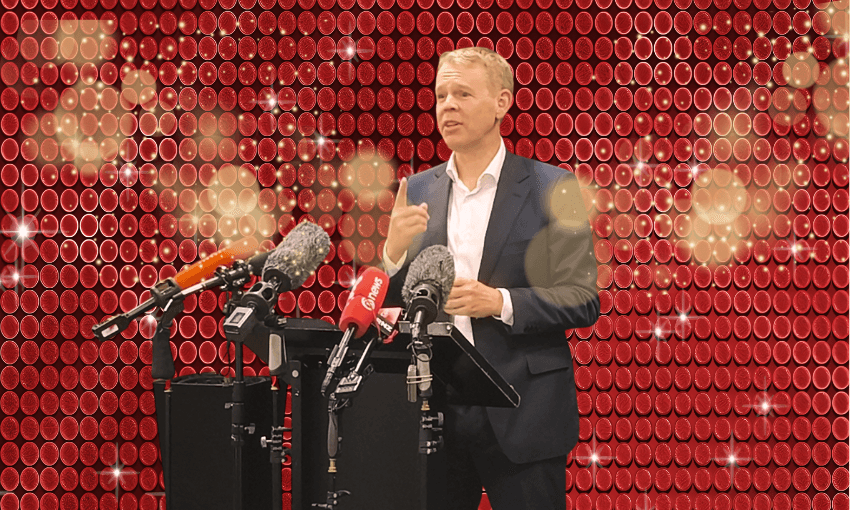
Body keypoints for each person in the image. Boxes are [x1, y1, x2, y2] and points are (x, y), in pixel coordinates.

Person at [380, 46, 600, 510]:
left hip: (523, 410)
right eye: (441, 95)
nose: (448, 106)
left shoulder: (551, 187)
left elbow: (582, 298)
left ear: (502, 103)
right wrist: (393, 254)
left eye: (462, 93)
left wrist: (499, 301)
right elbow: (401, 302)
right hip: (434, 411)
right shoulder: (416, 190)